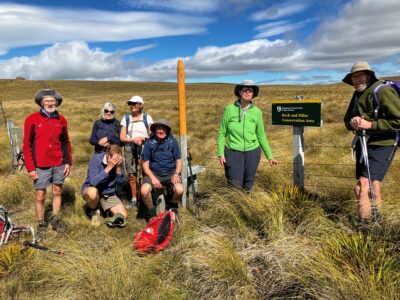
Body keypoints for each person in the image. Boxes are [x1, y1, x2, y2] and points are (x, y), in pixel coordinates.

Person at [343, 61, 400, 223]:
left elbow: (398, 120)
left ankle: (364, 227)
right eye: (353, 77)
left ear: (368, 75)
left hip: (383, 145)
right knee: (372, 186)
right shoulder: (357, 95)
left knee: (361, 187)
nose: (356, 80)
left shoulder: (382, 91)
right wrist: (353, 122)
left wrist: (371, 125)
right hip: (363, 145)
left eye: (360, 75)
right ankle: (377, 220)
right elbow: (347, 121)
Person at [23, 89, 73, 242]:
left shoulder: (61, 119)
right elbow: (27, 145)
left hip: (58, 162)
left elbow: (66, 142)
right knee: (40, 195)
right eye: (47, 101)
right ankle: (41, 225)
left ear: (56, 103)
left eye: (53, 101)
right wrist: (31, 168)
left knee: (57, 191)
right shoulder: (32, 119)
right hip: (40, 165)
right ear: (41, 102)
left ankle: (55, 219)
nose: (50, 103)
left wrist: (67, 162)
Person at [217, 80, 278, 191]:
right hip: (233, 151)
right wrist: (220, 153)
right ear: (240, 91)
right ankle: (232, 207)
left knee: (248, 183)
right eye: (245, 89)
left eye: (250, 90)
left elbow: (261, 135)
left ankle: (245, 205)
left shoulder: (257, 112)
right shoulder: (229, 110)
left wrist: (270, 156)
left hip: (252, 152)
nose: (248, 91)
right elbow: (222, 133)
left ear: (253, 94)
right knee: (234, 184)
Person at [140, 119, 183, 222]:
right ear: (155, 130)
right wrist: (153, 178)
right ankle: (151, 211)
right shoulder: (149, 143)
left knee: (179, 189)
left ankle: (172, 207)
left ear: (167, 131)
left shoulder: (172, 142)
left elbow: (178, 161)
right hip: (153, 173)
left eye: (163, 129)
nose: (161, 131)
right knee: (144, 190)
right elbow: (145, 165)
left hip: (170, 173)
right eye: (158, 129)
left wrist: (176, 173)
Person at [81, 144, 128, 227]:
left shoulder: (119, 161)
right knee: (92, 192)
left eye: (118, 158)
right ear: (107, 154)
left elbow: (121, 183)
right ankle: (94, 211)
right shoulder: (96, 159)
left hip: (107, 193)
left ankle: (103, 208)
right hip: (92, 189)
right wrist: (109, 167)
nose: (116, 160)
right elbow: (94, 182)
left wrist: (119, 168)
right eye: (114, 158)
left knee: (123, 216)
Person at [120, 96, 153, 209]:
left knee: (144, 172)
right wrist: (132, 140)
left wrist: (142, 139)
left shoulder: (147, 117)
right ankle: (134, 199)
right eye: (130, 104)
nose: (132, 106)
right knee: (132, 175)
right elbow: (122, 137)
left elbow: (152, 134)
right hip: (129, 148)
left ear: (141, 105)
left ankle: (145, 195)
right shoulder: (126, 118)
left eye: (134, 103)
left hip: (144, 148)